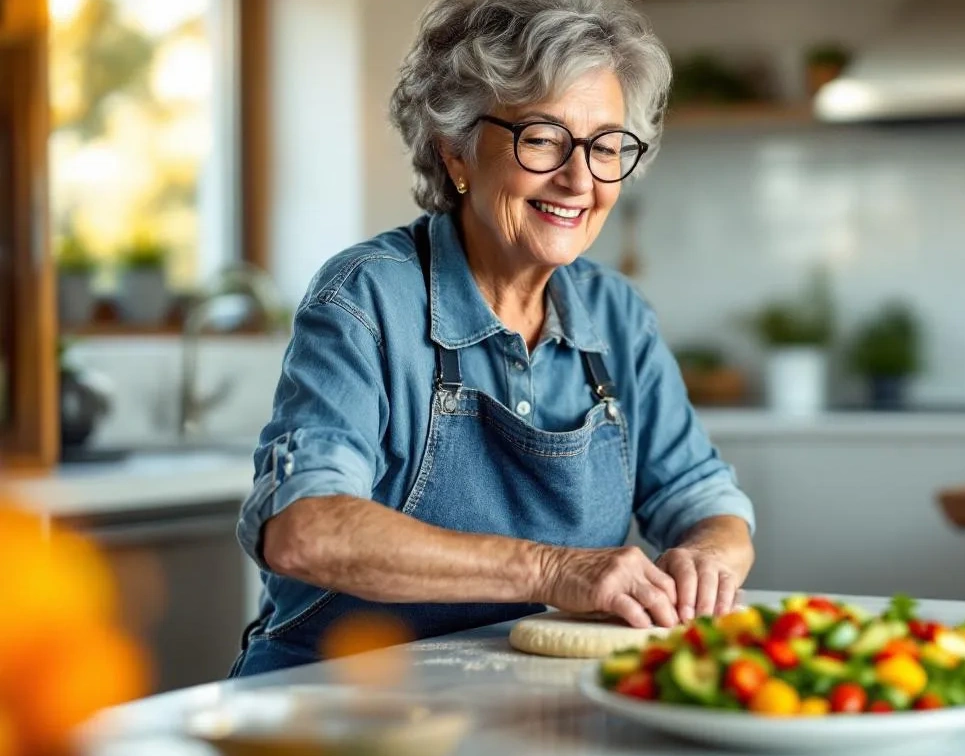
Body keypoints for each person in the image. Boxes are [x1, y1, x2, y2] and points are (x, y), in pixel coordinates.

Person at [229, 0, 755, 677]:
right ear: (456, 153)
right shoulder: (367, 297)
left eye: (605, 146)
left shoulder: (616, 313)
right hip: (333, 706)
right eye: (542, 138)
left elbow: (706, 500)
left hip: (527, 705)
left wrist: (706, 561)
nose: (579, 179)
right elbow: (306, 530)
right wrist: (549, 569)